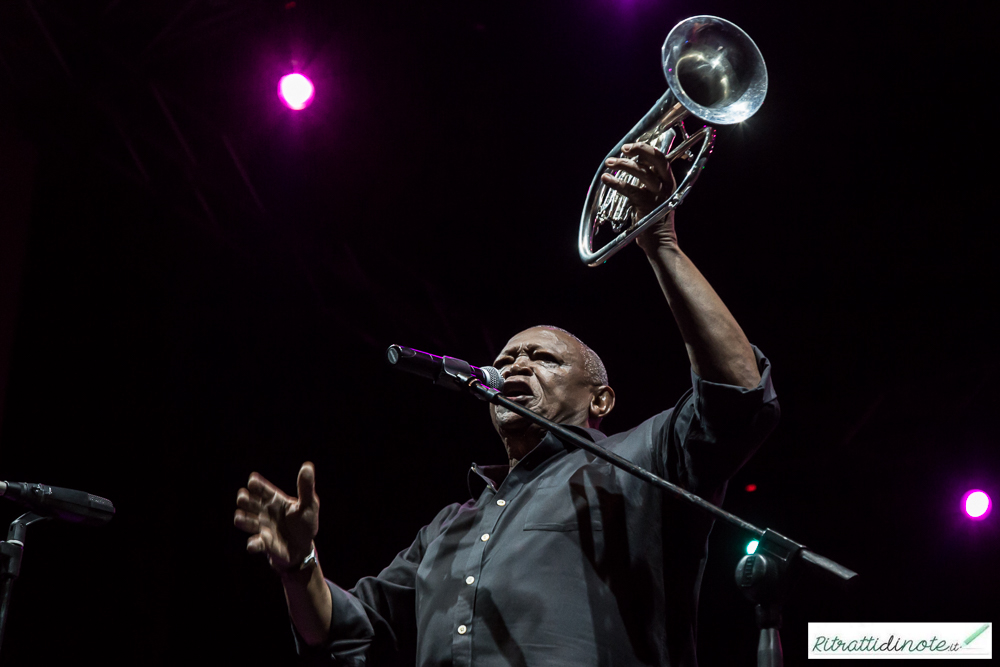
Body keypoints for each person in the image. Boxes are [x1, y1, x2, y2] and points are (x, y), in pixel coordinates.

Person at [234, 143, 780, 666]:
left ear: (602, 399)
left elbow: (738, 393)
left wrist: (661, 243)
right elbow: (346, 630)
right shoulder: (448, 525)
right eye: (508, 356)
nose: (514, 365)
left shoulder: (641, 460)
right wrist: (300, 567)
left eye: (543, 358)